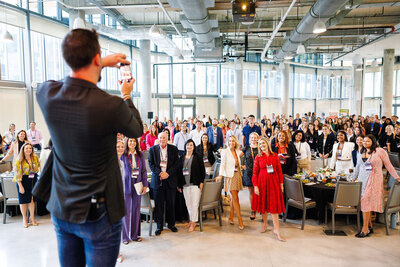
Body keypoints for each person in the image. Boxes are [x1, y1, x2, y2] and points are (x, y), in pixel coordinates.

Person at [36, 29, 143, 267]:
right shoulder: (111, 105)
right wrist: (126, 96)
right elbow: (136, 130)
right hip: (99, 213)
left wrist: (99, 62)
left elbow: (68, 79)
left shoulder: (47, 94)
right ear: (96, 58)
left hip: (62, 206)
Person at [352, 135, 400, 238]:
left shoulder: (380, 151)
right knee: (365, 203)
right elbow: (357, 167)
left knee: (366, 202)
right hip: (362, 180)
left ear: (373, 141)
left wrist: (397, 176)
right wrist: (352, 178)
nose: (364, 143)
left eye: (367, 141)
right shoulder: (362, 151)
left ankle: (364, 229)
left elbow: (388, 165)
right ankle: (369, 226)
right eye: (363, 141)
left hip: (374, 180)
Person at [252, 137, 285, 241]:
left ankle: (277, 230)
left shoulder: (275, 156)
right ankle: (265, 224)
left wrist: (281, 184)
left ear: (267, 144)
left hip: (274, 183)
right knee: (264, 205)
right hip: (262, 183)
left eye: (263, 143)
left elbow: (279, 170)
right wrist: (256, 186)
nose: (262, 145)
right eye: (260, 144)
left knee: (274, 207)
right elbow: (254, 173)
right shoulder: (258, 157)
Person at [148, 132, 180, 236]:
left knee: (171, 204)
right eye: (160, 138)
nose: (162, 139)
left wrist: (168, 174)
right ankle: (159, 226)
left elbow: (176, 164)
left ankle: (171, 224)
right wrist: (160, 173)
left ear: (168, 139)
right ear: (158, 139)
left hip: (170, 180)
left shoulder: (173, 149)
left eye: (164, 138)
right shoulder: (152, 149)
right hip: (158, 181)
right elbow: (151, 164)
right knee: (159, 205)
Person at [120, 138, 148, 244]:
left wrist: (145, 185)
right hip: (126, 184)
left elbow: (144, 171)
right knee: (126, 211)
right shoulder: (123, 155)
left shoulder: (140, 155)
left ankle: (135, 235)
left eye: (134, 141)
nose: (132, 143)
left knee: (136, 209)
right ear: (127, 142)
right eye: (130, 141)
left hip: (138, 184)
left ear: (136, 143)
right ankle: (125, 237)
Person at [217, 136, 244, 230]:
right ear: (228, 142)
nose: (232, 142)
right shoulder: (225, 151)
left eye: (233, 141)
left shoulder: (237, 151)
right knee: (236, 198)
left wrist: (241, 166)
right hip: (230, 177)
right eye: (230, 141)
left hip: (237, 175)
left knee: (234, 197)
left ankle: (231, 217)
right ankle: (240, 219)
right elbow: (222, 164)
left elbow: (236, 163)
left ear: (236, 142)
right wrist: (220, 175)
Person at [178, 139, 205, 232]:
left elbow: (202, 170)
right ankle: (191, 220)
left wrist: (201, 182)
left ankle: (193, 222)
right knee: (188, 204)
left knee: (195, 204)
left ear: (193, 147)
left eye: (191, 145)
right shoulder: (181, 158)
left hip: (195, 184)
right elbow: (179, 172)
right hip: (185, 184)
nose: (189, 147)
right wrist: (179, 185)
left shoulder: (197, 157)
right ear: (185, 146)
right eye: (187, 145)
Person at [13, 143, 40, 228]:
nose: (29, 150)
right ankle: (24, 219)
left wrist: (34, 168)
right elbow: (17, 174)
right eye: (26, 148)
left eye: (30, 148)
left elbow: (38, 167)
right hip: (23, 180)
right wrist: (20, 185)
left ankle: (32, 218)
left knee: (31, 200)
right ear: (23, 150)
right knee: (23, 201)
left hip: (33, 179)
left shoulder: (35, 157)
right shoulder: (19, 160)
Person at [240, 132, 259, 220]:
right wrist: (240, 165)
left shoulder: (261, 147)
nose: (253, 139)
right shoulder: (246, 148)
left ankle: (261, 209)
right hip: (249, 172)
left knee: (260, 192)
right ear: (249, 139)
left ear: (258, 138)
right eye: (252, 137)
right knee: (251, 192)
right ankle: (253, 210)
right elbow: (236, 156)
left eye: (255, 137)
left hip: (259, 172)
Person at [115, 140, 125, 263]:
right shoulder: (110, 163)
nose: (120, 148)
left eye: (122, 146)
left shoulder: (121, 162)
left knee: (118, 226)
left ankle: (116, 251)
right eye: (118, 146)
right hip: (112, 199)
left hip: (120, 197)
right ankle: (115, 253)